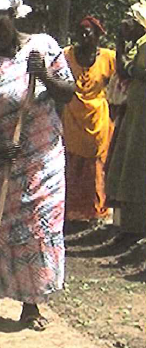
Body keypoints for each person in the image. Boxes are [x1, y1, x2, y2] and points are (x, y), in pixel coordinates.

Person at [0, 0, 75, 329]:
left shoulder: (43, 46)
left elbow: (68, 91)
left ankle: (32, 306)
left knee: (36, 229)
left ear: (11, 17)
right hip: (0, 161)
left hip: (42, 160)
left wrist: (43, 74)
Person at [62, 16, 116, 225]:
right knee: (72, 163)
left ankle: (96, 211)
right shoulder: (67, 55)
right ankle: (72, 212)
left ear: (97, 36)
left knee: (96, 165)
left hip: (98, 119)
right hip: (72, 116)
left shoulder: (109, 57)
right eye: (80, 31)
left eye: (88, 32)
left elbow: (120, 82)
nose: (83, 36)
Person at [106, 1, 146, 242]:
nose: (124, 23)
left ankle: (135, 230)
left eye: (129, 19)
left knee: (136, 167)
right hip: (135, 114)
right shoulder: (139, 46)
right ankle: (129, 227)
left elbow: (134, 71)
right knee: (128, 166)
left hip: (142, 117)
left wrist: (130, 67)